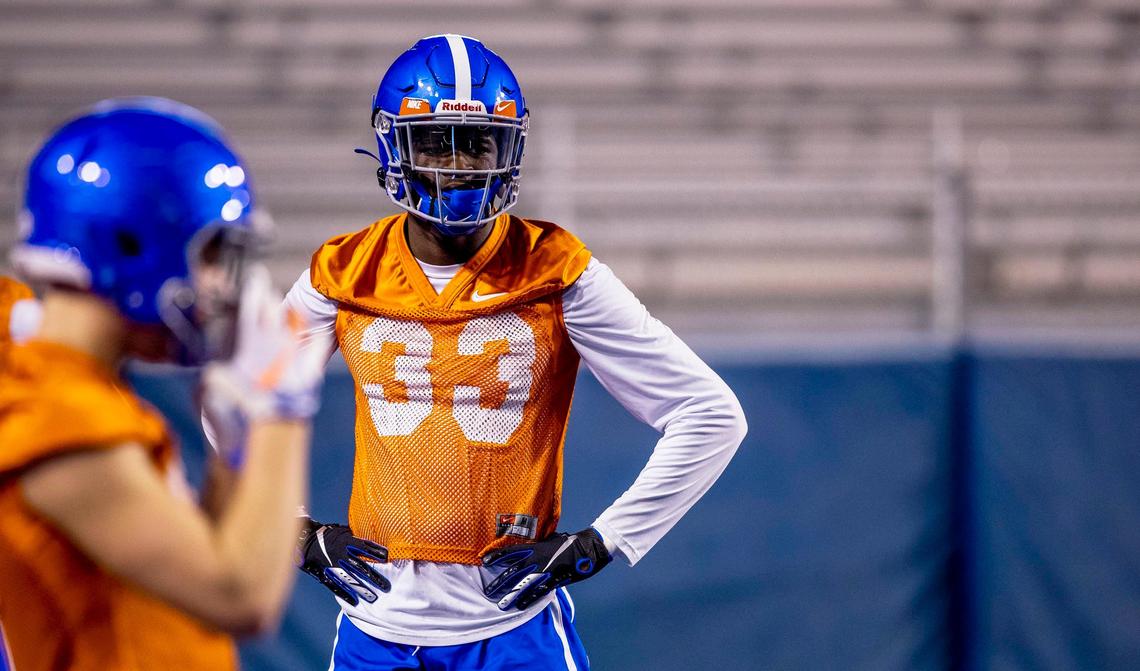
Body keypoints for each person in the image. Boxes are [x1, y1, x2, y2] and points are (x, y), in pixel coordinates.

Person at [289, 35, 747, 670]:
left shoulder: (555, 269)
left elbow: (711, 413)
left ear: (509, 147)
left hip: (512, 629)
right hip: (375, 628)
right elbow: (235, 403)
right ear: (394, 146)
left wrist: (602, 543)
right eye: (434, 142)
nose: (457, 165)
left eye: (477, 142)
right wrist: (291, 530)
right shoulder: (343, 270)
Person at [0, 97, 329, 671]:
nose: (217, 285)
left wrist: (236, 443)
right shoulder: (55, 414)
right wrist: (283, 404)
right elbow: (241, 597)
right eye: (209, 256)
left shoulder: (82, 389)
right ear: (131, 244)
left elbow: (203, 558)